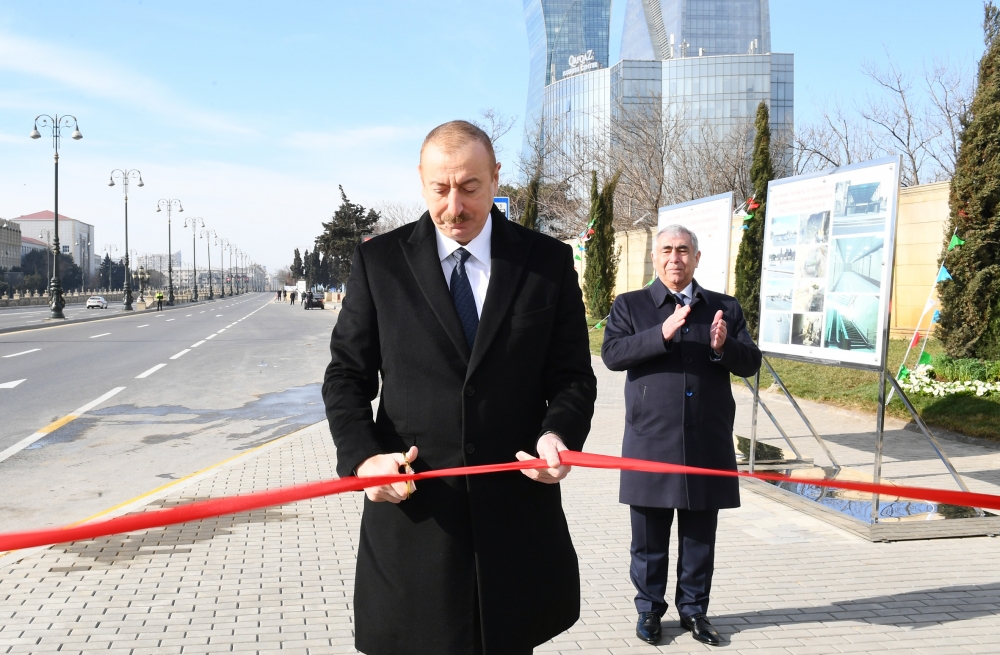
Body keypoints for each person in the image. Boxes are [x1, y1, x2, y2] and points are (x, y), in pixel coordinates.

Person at [323, 120, 597, 655]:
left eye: (470, 188)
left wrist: (558, 434)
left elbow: (572, 375)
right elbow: (346, 377)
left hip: (515, 525)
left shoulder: (546, 262)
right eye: (440, 189)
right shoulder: (380, 263)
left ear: (496, 179)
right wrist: (363, 460)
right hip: (416, 521)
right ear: (421, 183)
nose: (455, 206)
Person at [601, 225, 761, 647]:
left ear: (697, 258)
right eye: (668, 250)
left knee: (699, 536)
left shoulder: (723, 307)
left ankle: (694, 611)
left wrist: (725, 346)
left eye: (684, 250)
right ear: (655, 258)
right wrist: (661, 333)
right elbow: (612, 354)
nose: (676, 258)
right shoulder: (631, 305)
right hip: (651, 441)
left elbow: (751, 363)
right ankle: (649, 611)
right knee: (649, 537)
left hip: (707, 440)